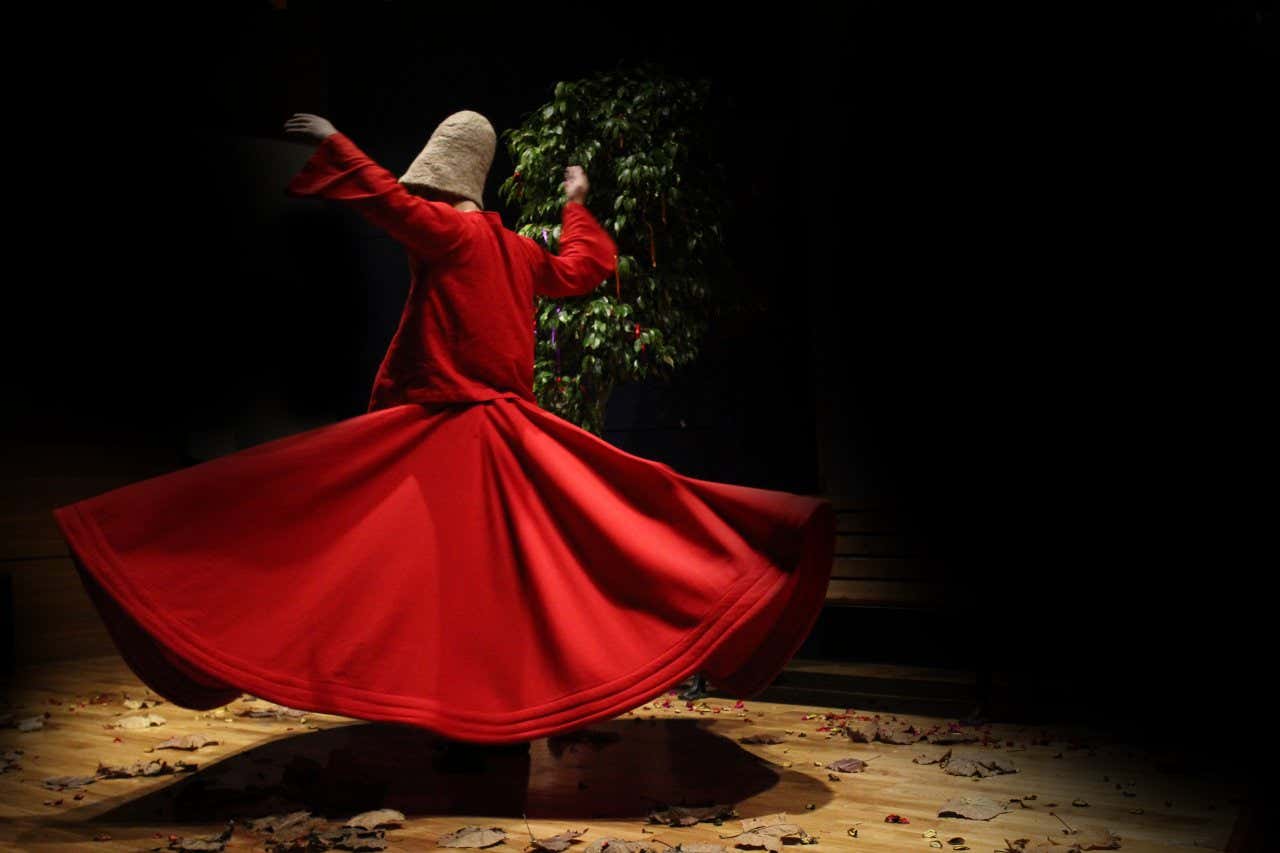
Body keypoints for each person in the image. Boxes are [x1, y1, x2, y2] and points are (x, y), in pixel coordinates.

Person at [51, 109, 835, 746]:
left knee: (337, 539)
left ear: (438, 183)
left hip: (451, 434)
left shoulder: (449, 232)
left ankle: (453, 710)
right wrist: (575, 199)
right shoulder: (518, 249)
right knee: (528, 571)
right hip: (512, 433)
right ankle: (500, 709)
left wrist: (334, 144)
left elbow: (390, 205)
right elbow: (584, 268)